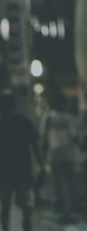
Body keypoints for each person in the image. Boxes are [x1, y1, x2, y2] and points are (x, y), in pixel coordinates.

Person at [0, 89, 45, 231]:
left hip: (4, 170)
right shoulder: (25, 122)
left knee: (5, 206)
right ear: (14, 105)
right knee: (27, 203)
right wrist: (41, 165)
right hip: (24, 169)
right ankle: (27, 226)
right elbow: (35, 146)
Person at [42, 93, 78, 222]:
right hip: (68, 155)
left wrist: (43, 156)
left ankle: (61, 208)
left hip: (55, 155)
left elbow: (45, 138)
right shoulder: (69, 118)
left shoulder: (49, 118)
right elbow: (75, 136)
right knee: (68, 182)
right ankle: (67, 210)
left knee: (59, 182)